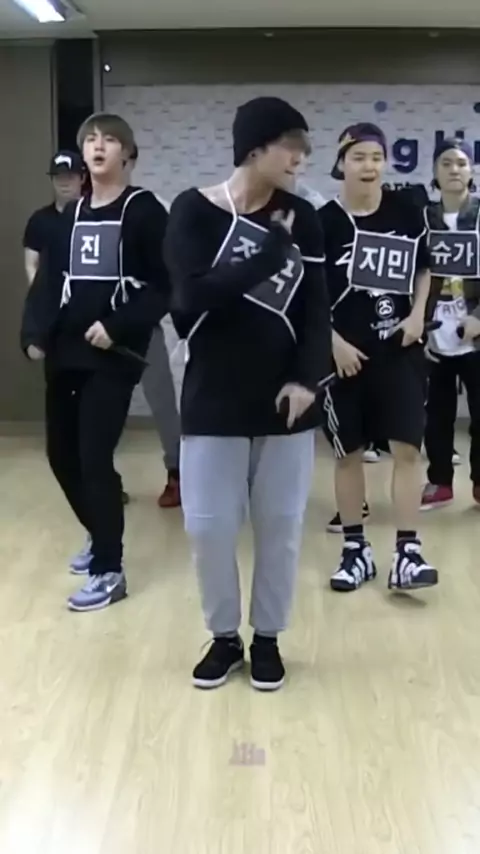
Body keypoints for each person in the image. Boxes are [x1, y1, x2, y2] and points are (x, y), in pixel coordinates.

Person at [164, 96, 332, 690]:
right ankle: (223, 637)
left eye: (305, 149)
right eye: (291, 146)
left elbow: (316, 311)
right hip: (212, 396)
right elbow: (188, 298)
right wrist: (266, 255)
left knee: (280, 527)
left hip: (285, 402)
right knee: (209, 528)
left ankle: (267, 639)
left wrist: (307, 378)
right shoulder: (193, 210)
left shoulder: (303, 217)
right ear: (255, 148)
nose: (300, 159)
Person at [20, 112, 171, 612]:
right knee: (61, 457)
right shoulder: (73, 215)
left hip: (113, 355)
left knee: (93, 456)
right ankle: (99, 531)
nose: (98, 146)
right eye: (91, 140)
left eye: (109, 140)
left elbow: (166, 285)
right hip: (67, 353)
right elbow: (49, 282)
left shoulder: (144, 211)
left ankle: (109, 568)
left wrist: (119, 325)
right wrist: (34, 334)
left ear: (127, 153)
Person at [319, 122, 437, 592]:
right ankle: (355, 550)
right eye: (358, 157)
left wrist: (418, 315)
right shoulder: (322, 222)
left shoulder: (406, 211)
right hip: (344, 358)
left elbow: (425, 268)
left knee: (407, 449)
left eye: (376, 157)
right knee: (348, 454)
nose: (369, 166)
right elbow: (307, 295)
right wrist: (332, 342)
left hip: (399, 351)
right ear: (341, 164)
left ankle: (407, 553)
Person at [421, 138, 480, 509]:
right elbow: (412, 275)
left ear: (471, 171)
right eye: (446, 163)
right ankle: (439, 480)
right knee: (436, 415)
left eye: (461, 163)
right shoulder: (423, 219)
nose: (454, 170)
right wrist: (418, 323)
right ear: (435, 172)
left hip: (475, 332)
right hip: (433, 334)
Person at [124, 145, 182, 508]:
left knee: (161, 400)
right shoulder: (81, 212)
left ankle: (177, 472)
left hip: (143, 322)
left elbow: (169, 267)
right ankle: (102, 479)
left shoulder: (150, 206)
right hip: (93, 326)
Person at [23, 151, 85, 284]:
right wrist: (38, 292)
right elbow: (31, 264)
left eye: (70, 177)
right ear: (52, 180)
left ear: (82, 178)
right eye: (59, 177)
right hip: (49, 292)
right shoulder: (39, 220)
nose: (64, 183)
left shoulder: (94, 218)